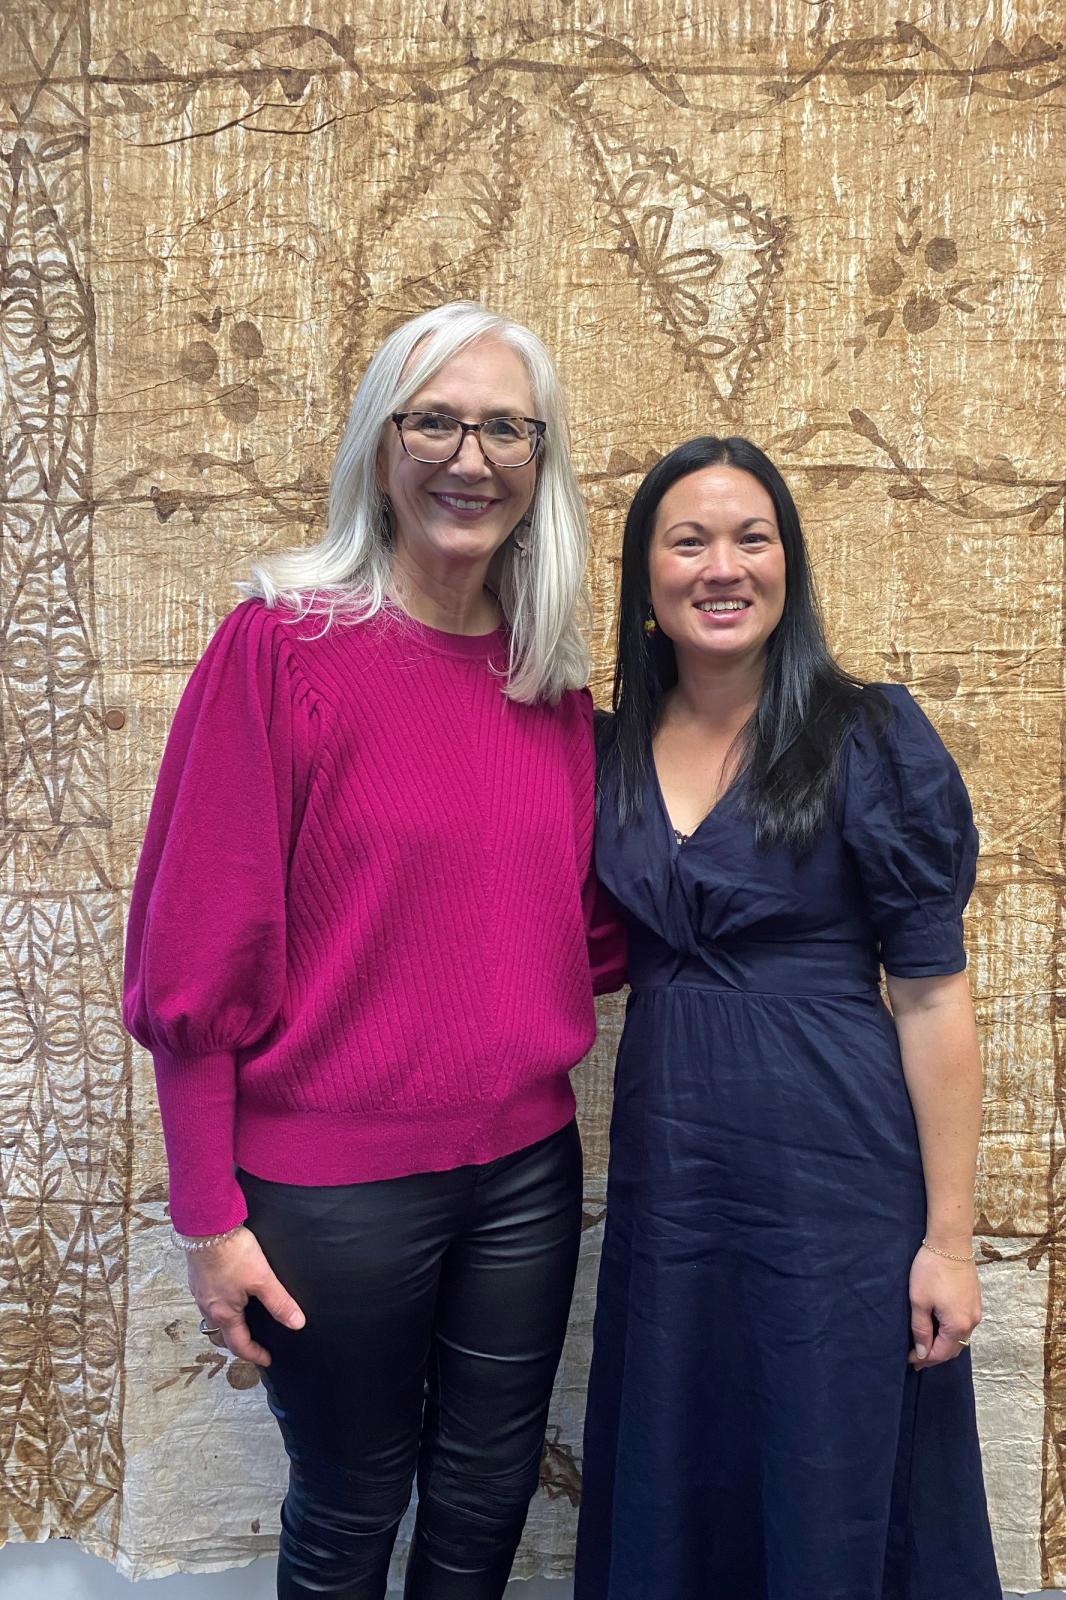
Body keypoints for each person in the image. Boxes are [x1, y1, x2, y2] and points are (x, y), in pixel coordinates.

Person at [123, 300, 624, 1600]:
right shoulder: (284, 646)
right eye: (436, 421)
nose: (470, 457)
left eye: (503, 427)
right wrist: (207, 1219)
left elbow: (571, 927)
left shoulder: (550, 682)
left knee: (486, 1494)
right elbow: (193, 963)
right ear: (381, 446)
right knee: (350, 1509)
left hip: (525, 1172)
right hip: (331, 1196)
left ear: (540, 458)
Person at [575, 435, 1001, 1599]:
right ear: (646, 577)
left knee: (830, 1455)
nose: (725, 566)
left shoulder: (869, 736)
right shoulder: (605, 751)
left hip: (839, 1181)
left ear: (788, 565)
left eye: (752, 537)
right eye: (690, 540)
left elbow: (931, 998)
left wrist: (949, 1239)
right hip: (674, 1173)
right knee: (683, 1450)